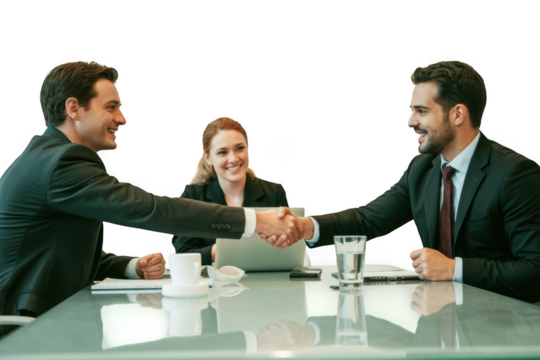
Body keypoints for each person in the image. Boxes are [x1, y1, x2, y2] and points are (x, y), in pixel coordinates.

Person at [0, 61, 304, 318]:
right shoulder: (62, 161)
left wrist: (133, 267)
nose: (122, 118)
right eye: (111, 107)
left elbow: (61, 254)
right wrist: (257, 221)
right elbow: (150, 209)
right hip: (32, 324)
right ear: (74, 109)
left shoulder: (45, 155)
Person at [262, 60, 540, 303]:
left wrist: (454, 269)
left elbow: (534, 270)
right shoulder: (423, 169)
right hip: (440, 317)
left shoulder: (515, 175)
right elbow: (368, 219)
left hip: (502, 323)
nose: (410, 122)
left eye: (422, 111)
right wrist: (305, 226)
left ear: (457, 114)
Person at [172, 117, 311, 266]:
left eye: (239, 148)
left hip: (267, 280)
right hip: (214, 283)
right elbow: (183, 254)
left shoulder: (274, 192)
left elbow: (290, 246)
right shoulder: (193, 196)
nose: (233, 158)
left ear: (248, 148)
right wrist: (219, 251)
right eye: (222, 152)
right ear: (208, 158)